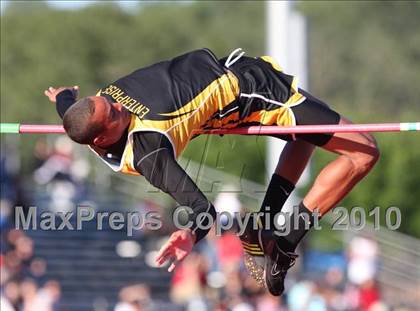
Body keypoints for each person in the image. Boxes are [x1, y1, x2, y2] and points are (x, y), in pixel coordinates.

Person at [44, 48, 379, 296]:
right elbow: (204, 211)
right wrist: (188, 234)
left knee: (303, 136)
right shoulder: (149, 152)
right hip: (249, 92)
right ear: (104, 137)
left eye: (109, 100)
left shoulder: (90, 117)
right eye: (115, 112)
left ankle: (264, 225)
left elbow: (70, 114)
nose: (119, 104)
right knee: (363, 153)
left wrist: (64, 99)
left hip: (233, 72)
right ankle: (285, 244)